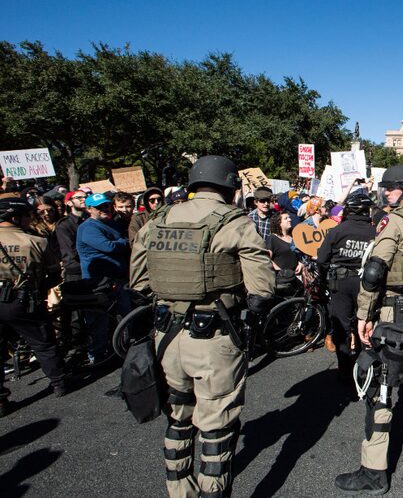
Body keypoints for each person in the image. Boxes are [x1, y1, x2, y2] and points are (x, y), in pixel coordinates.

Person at [130, 155, 276, 498]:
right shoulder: (234, 222)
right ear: (230, 187)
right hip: (214, 336)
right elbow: (262, 291)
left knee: (178, 417)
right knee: (216, 423)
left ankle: (179, 490)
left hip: (166, 334)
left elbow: (138, 282)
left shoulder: (159, 218)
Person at [335, 164, 403, 495]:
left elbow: (373, 271)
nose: (384, 193)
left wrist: (364, 315)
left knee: (381, 387)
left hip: (394, 313)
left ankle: (374, 471)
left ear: (398, 188)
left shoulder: (395, 221)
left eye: (387, 188)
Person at [0, 197, 68, 416]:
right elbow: (55, 271)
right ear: (15, 217)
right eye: (29, 215)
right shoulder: (35, 241)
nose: (32, 219)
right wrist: (37, 288)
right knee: (43, 342)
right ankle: (59, 383)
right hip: (23, 301)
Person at [317, 193, 375, 381]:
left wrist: (327, 276)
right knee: (363, 324)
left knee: (341, 327)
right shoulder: (375, 232)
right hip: (366, 284)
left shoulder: (337, 230)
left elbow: (322, 258)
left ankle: (345, 371)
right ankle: (363, 369)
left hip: (340, 284)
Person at [76, 193, 131, 363]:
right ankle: (97, 355)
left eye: (107, 206)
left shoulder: (111, 223)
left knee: (125, 315)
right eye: (100, 207)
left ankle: (124, 350)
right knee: (99, 321)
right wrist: (125, 242)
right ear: (89, 209)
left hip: (118, 279)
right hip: (97, 283)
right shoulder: (88, 228)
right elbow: (108, 246)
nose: (105, 209)